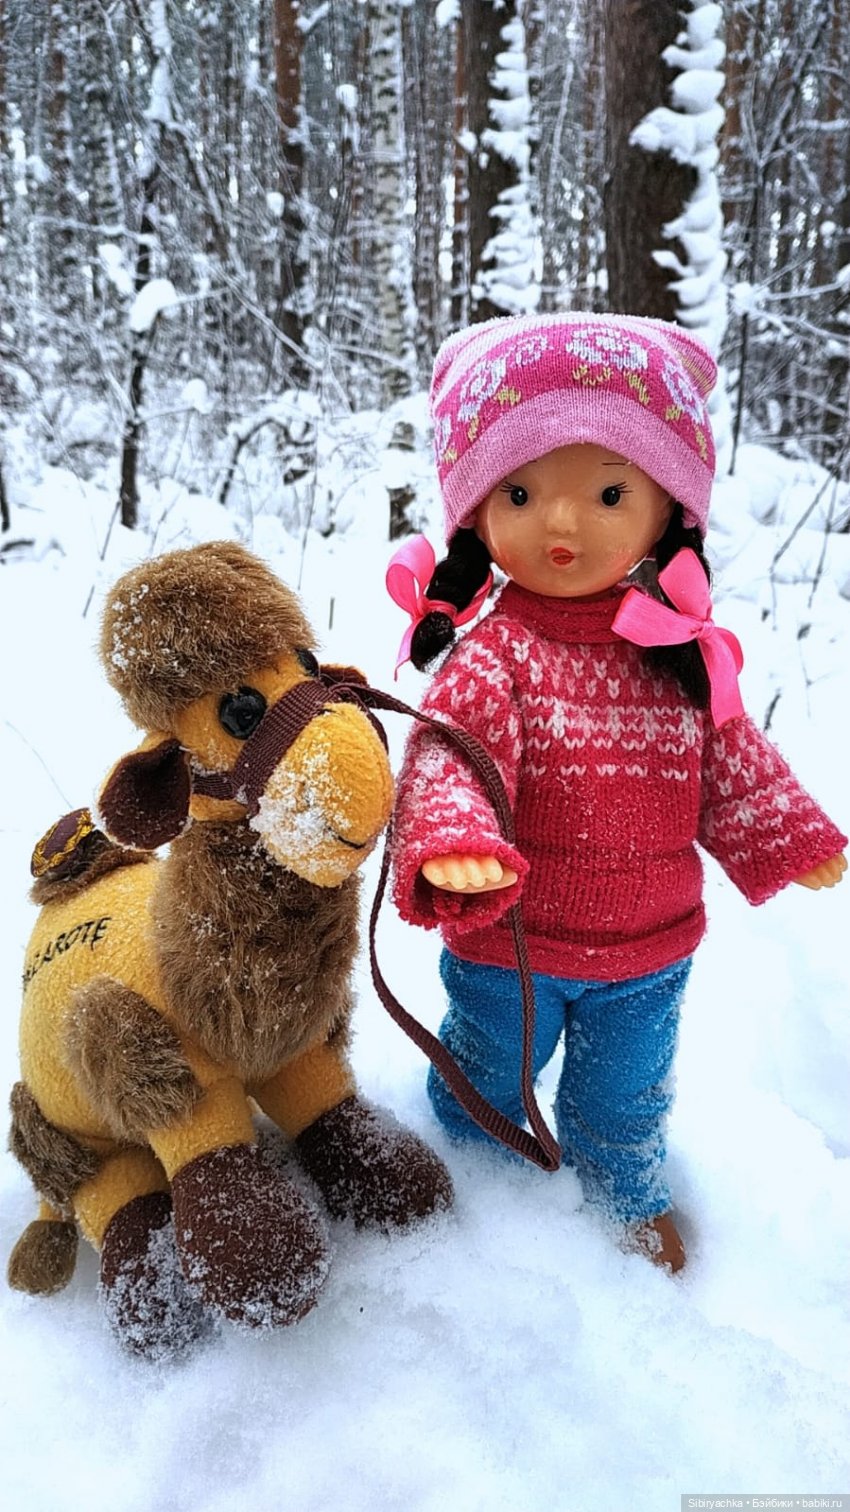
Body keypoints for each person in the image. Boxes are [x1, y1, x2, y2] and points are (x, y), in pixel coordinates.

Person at [386, 312, 847, 1273]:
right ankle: (476, 1194)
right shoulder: (498, 656)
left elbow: (732, 764)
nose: (562, 523)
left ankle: (625, 1198)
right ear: (475, 512)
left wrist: (788, 835)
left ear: (669, 509)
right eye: (521, 491)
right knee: (485, 1076)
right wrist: (454, 839)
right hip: (511, 943)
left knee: (626, 1098)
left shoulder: (673, 655)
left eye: (607, 491)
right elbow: (448, 755)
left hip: (648, 950)